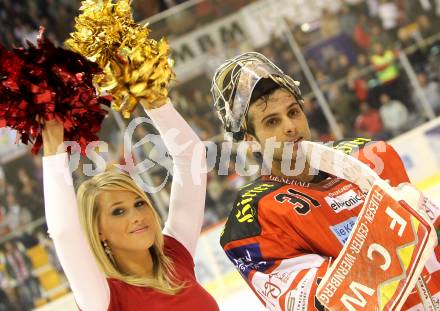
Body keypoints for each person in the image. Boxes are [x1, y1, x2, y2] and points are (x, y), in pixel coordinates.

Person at [210, 52, 440, 311]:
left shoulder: (368, 156)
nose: (290, 126)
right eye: (272, 121)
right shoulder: (255, 217)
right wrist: (399, 228)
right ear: (250, 139)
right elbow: (327, 304)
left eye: (293, 112)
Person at [41, 98, 219, 311]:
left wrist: (155, 99)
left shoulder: (174, 255)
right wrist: (53, 147)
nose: (137, 216)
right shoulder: (104, 299)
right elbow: (64, 233)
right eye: (118, 211)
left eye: (139, 203)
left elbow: (192, 159)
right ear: (98, 231)